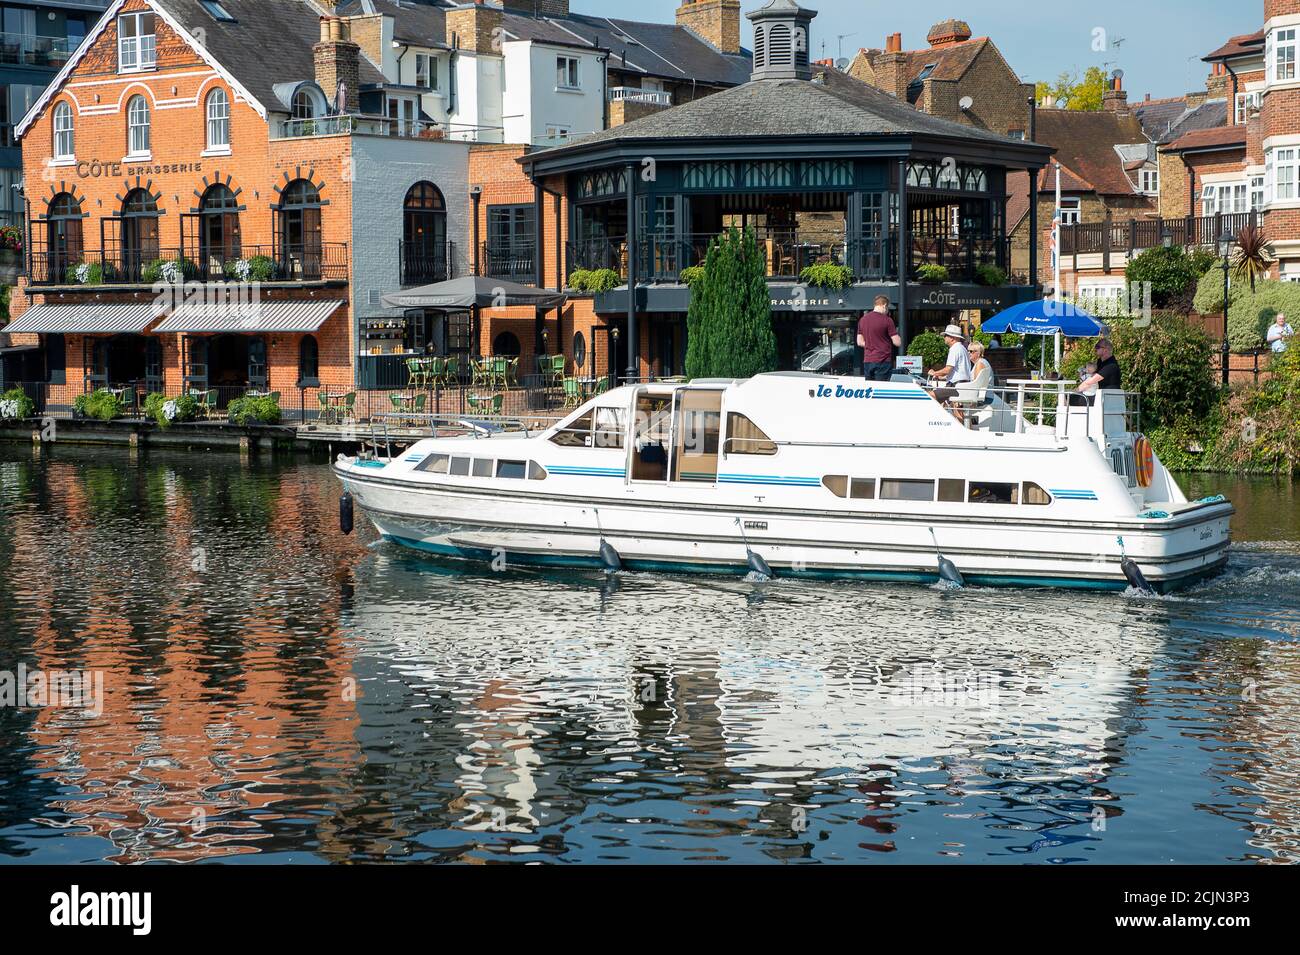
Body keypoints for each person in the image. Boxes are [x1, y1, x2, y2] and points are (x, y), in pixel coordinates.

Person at [857, 295, 902, 381]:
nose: (887, 310)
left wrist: (872, 344)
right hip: (883, 360)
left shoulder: (863, 320)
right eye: (887, 308)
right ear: (884, 305)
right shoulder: (887, 320)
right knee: (881, 389)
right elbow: (897, 342)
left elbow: (859, 342)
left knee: (870, 389)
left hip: (868, 360)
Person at [927, 324, 972, 401]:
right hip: (963, 385)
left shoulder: (954, 349)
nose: (944, 337)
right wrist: (943, 377)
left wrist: (934, 373)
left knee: (929, 395)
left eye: (946, 335)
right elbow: (959, 370)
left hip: (955, 386)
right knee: (952, 407)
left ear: (952, 338)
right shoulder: (962, 348)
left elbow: (948, 369)